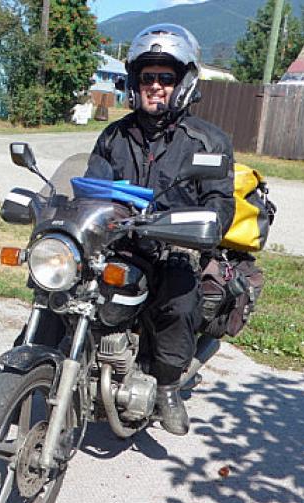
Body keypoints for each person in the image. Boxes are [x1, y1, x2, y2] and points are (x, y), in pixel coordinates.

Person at [89, 23, 235, 434]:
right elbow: (92, 187)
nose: (155, 86)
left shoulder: (208, 140)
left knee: (179, 303)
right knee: (71, 288)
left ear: (184, 82)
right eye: (147, 77)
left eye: (165, 78)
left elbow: (221, 202)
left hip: (176, 246)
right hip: (121, 243)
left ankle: (168, 386)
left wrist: (202, 229)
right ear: (135, 82)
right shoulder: (114, 135)